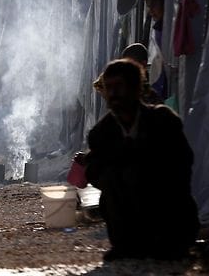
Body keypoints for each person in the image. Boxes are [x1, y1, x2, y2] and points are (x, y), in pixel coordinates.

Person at [75, 59, 199, 261]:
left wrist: (139, 163)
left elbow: (183, 164)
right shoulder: (101, 133)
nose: (113, 94)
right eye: (109, 88)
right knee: (111, 176)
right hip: (127, 214)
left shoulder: (162, 120)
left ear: (134, 88)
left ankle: (169, 239)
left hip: (168, 212)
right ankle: (126, 243)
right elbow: (94, 173)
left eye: (119, 87)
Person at [143, 0, 168, 101]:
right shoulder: (158, 29)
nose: (151, 11)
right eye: (149, 7)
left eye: (153, 6)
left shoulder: (167, 28)